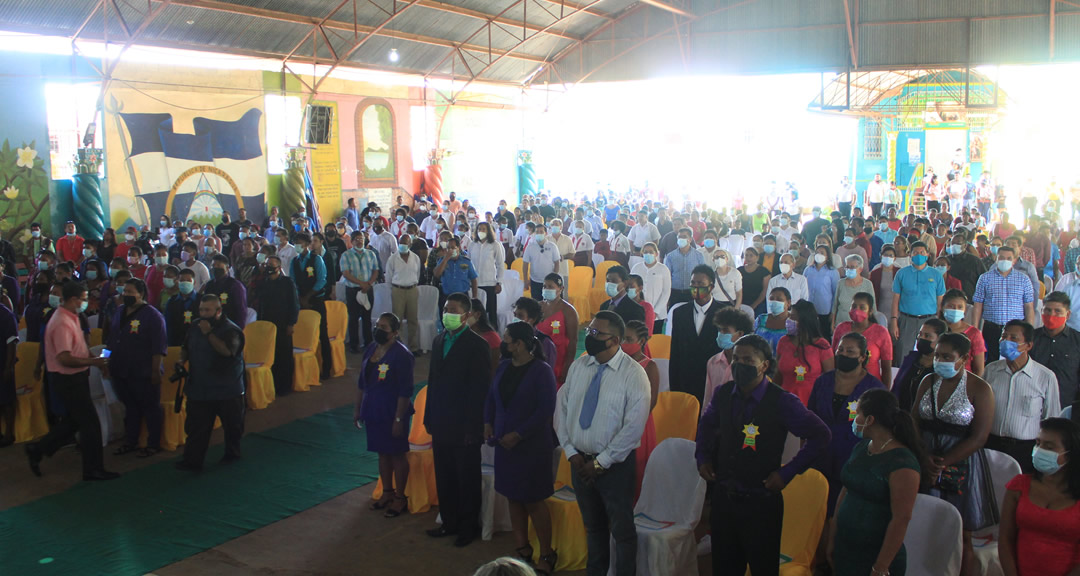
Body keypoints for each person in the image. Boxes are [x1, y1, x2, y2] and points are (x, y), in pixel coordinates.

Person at [696, 334, 831, 576]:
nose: (740, 364)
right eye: (736, 358)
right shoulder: (723, 393)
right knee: (724, 568)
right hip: (724, 498)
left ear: (765, 365)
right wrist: (703, 456)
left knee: (762, 569)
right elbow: (706, 423)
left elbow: (820, 435)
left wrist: (787, 472)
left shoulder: (783, 401)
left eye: (748, 359)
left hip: (761, 503)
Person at [557, 311, 650, 576]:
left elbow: (633, 428)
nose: (591, 337)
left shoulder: (634, 375)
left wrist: (601, 462)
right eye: (590, 332)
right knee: (593, 527)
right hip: (579, 461)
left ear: (615, 340)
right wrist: (572, 452)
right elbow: (562, 412)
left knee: (622, 530)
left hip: (615, 466)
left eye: (598, 334)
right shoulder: (579, 366)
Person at [913, 332, 996, 576]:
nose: (940, 360)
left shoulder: (980, 388)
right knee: (923, 525)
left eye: (947, 356)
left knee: (962, 534)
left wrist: (942, 464)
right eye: (938, 355)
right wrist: (924, 456)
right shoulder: (928, 381)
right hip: (925, 456)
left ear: (964, 358)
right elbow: (914, 420)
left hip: (962, 462)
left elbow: (979, 437)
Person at [484, 321, 558, 575]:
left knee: (534, 500)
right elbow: (492, 397)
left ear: (520, 344)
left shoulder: (541, 371)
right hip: (505, 443)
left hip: (532, 445)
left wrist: (519, 433)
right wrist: (487, 422)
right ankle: (522, 548)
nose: (503, 344)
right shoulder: (504, 366)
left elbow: (545, 409)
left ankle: (547, 553)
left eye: (507, 340)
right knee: (513, 496)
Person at [25, 281, 118, 480]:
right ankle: (93, 469)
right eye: (84, 299)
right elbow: (64, 357)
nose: (85, 302)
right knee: (90, 424)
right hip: (67, 378)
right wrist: (94, 362)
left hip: (75, 376)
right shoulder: (61, 322)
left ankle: (38, 448)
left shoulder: (72, 316)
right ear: (73, 299)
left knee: (75, 421)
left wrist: (94, 363)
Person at [829, 389, 926, 576]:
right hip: (846, 548)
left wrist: (881, 566)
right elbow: (846, 489)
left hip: (875, 556)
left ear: (870, 420)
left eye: (858, 414)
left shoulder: (902, 463)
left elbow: (901, 519)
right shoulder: (862, 447)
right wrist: (833, 534)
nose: (854, 420)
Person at [424, 293, 493, 547]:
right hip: (441, 421)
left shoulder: (477, 345)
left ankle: (467, 526)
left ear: (466, 315)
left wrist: (474, 426)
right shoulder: (439, 339)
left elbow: (480, 390)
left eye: (452, 310)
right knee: (445, 475)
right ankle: (449, 522)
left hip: (465, 425)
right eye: (445, 309)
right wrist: (429, 415)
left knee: (467, 478)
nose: (447, 314)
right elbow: (432, 381)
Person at [809, 333, 887, 528]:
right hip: (820, 455)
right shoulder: (823, 381)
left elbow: (881, 431)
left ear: (862, 357)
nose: (843, 354)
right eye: (840, 350)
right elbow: (809, 419)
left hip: (854, 458)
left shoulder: (874, 389)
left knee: (844, 515)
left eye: (850, 351)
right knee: (816, 512)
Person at [999, 418, 1080, 576]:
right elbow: (1005, 539)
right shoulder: (1019, 486)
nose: (1040, 450)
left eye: (1049, 447)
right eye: (1038, 443)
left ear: (1070, 455)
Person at [175, 294, 245, 471]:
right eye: (201, 309)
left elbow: (228, 352)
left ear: (218, 311)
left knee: (232, 427)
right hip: (200, 387)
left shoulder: (232, 330)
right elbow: (185, 347)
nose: (203, 313)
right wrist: (180, 361)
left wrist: (209, 333)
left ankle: (232, 455)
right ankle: (192, 460)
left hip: (227, 389)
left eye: (207, 310)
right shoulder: (194, 326)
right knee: (196, 427)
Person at [355, 313, 414, 518]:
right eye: (377, 325)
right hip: (373, 409)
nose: (379, 330)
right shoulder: (371, 348)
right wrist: (358, 409)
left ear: (395, 332)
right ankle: (387, 492)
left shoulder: (402, 355)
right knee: (382, 452)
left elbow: (406, 390)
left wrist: (398, 419)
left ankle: (400, 497)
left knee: (397, 453)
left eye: (384, 327)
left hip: (393, 409)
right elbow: (362, 383)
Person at [984, 320, 1061, 473]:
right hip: (991, 444)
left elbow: (1051, 419)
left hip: (1024, 449)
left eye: (1014, 338)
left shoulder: (1045, 377)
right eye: (1004, 337)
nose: (1006, 341)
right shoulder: (991, 371)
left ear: (1028, 345)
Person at [107, 277, 167, 458]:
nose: (126, 295)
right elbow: (111, 340)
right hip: (120, 369)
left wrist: (156, 371)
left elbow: (159, 347)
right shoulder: (119, 311)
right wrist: (104, 361)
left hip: (144, 371)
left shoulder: (153, 316)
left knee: (150, 408)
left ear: (141, 294)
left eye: (130, 292)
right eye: (124, 292)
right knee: (130, 407)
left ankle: (153, 443)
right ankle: (131, 441)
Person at [667, 265, 723, 404]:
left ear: (711, 286)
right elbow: (675, 351)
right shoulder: (680, 313)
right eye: (693, 283)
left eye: (701, 284)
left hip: (714, 378)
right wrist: (674, 386)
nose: (696, 288)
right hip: (686, 378)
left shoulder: (724, 312)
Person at [973, 245, 1036, 363]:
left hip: (1016, 329)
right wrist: (975, 330)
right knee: (991, 360)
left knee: (1016, 359)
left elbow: (1029, 307)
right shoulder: (984, 278)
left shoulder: (1024, 279)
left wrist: (1029, 330)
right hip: (992, 327)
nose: (1004, 261)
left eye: (1008, 258)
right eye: (1001, 257)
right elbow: (978, 305)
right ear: (996, 258)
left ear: (1014, 260)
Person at [622, 319, 660, 501]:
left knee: (636, 470)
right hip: (615, 423)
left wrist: (630, 422)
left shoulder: (649, 366)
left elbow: (651, 402)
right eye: (621, 339)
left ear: (642, 341)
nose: (624, 344)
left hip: (639, 426)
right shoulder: (617, 363)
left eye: (629, 339)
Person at [890, 242, 946, 363]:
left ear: (927, 255)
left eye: (922, 252)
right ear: (910, 254)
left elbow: (940, 300)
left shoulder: (936, 274)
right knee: (903, 354)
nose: (919, 255)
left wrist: (940, 320)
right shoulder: (902, 273)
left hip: (929, 320)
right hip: (906, 319)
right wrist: (894, 320)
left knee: (929, 354)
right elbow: (896, 299)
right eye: (915, 252)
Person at [255, 256, 300, 396]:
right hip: (267, 323)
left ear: (279, 268)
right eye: (267, 265)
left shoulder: (287, 283)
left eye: (271, 266)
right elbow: (260, 303)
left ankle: (285, 386)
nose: (268, 268)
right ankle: (271, 384)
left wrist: (291, 323)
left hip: (283, 323)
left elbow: (294, 304)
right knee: (270, 354)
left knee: (284, 355)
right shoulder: (263, 282)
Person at [833, 292, 894, 388]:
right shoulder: (841, 328)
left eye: (862, 307)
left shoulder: (881, 332)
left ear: (870, 311)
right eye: (854, 306)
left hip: (870, 387)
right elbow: (834, 359)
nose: (856, 310)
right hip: (842, 385)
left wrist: (885, 393)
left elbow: (886, 368)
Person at [1032, 292, 1080, 411]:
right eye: (1047, 310)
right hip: (1033, 403)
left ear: (1067, 314)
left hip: (1066, 405)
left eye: (1057, 311)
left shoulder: (1077, 340)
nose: (1051, 315)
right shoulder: (1031, 339)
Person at [703, 306, 754, 414]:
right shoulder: (713, 362)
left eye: (725, 330)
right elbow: (708, 398)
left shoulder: (750, 364)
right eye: (719, 330)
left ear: (740, 334)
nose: (721, 333)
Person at [341, 231, 380, 353]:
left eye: (361, 238)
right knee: (353, 318)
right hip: (353, 290)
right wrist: (360, 283)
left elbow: (376, 270)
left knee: (367, 317)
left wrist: (368, 284)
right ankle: (354, 344)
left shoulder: (370, 254)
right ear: (352, 241)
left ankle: (368, 343)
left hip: (367, 289)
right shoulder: (346, 255)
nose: (359, 241)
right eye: (357, 239)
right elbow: (345, 273)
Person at [537, 273, 579, 385]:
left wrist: (567, 366)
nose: (546, 289)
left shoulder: (569, 311)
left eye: (550, 287)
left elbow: (573, 340)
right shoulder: (538, 307)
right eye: (544, 286)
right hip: (539, 357)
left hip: (559, 360)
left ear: (561, 289)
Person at [385, 234, 422, 354]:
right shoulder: (392, 258)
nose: (403, 245)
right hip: (398, 290)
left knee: (413, 320)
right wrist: (394, 289)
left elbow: (417, 274)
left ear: (410, 245)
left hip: (412, 290)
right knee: (397, 320)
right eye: (401, 242)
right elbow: (388, 277)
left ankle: (413, 347)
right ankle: (398, 346)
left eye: (405, 243)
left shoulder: (415, 258)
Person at [940, 289, 986, 377]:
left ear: (965, 310)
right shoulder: (936, 329)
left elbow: (979, 369)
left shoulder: (974, 334)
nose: (955, 310)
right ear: (942, 308)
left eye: (960, 307)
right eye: (951, 306)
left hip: (964, 380)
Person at [631, 242, 671, 334]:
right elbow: (631, 288)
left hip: (657, 314)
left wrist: (655, 312)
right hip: (638, 311)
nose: (648, 254)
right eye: (645, 252)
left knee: (654, 339)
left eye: (650, 252)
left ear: (656, 254)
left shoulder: (663, 269)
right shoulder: (636, 268)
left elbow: (666, 292)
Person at [471, 221, 505, 328]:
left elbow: (500, 265)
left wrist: (499, 282)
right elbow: (468, 263)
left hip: (489, 283)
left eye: (484, 229)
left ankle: (493, 333)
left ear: (488, 231)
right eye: (479, 229)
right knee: (476, 311)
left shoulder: (495, 245)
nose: (481, 231)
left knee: (491, 312)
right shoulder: (472, 244)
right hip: (475, 283)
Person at [806, 241, 840, 340]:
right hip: (810, 308)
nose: (819, 255)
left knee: (823, 336)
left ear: (827, 256)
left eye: (822, 253)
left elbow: (835, 293)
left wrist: (833, 313)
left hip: (825, 310)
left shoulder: (833, 271)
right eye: (817, 252)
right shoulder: (808, 269)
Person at [664, 227, 705, 307]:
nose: (681, 239)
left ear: (690, 239)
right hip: (675, 292)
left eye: (684, 237)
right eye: (679, 237)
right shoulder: (670, 256)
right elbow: (667, 277)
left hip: (692, 291)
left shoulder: (698, 256)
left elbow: (702, 275)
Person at [205, 254, 247, 329]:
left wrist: (238, 330)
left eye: (218, 265)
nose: (215, 267)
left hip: (230, 326)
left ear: (227, 268)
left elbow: (241, 311)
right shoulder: (209, 285)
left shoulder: (235, 286)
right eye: (213, 265)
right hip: (211, 326)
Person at [833, 254, 875, 328]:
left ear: (860, 269)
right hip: (841, 324)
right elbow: (835, 305)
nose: (849, 269)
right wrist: (832, 324)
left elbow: (873, 307)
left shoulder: (867, 284)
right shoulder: (840, 283)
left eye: (852, 267)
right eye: (847, 267)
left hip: (861, 325)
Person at [522, 225, 561, 300]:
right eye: (537, 232)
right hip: (535, 281)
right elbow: (525, 265)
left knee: (550, 304)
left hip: (549, 282)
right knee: (536, 304)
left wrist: (554, 278)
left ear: (545, 233)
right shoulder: (530, 247)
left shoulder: (552, 246)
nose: (539, 233)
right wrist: (525, 280)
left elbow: (557, 263)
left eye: (541, 232)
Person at [165, 268, 200, 347]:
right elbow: (168, 325)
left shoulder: (202, 301)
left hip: (197, 344)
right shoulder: (172, 301)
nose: (185, 283)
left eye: (188, 281)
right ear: (177, 282)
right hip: (176, 344)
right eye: (182, 280)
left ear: (194, 282)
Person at [755, 287, 794, 353]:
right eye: (771, 299)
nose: (775, 302)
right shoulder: (760, 320)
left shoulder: (795, 323)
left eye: (779, 299)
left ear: (788, 303)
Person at [0, 302, 16, 446]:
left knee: (6, 400)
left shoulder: (5, 314)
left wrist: (8, 367)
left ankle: (9, 434)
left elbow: (11, 342)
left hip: (3, 363)